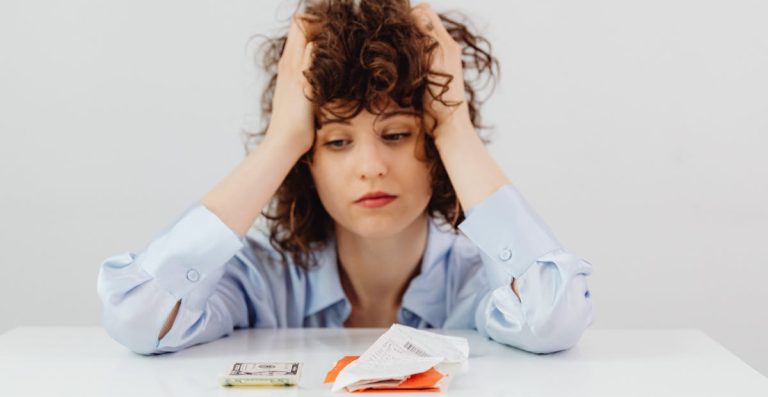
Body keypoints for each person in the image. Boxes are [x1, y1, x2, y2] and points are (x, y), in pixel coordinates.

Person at [97, 0, 593, 356]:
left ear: (436, 149)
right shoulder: (263, 283)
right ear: (307, 161)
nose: (371, 166)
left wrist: (454, 124)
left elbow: (552, 319)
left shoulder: (479, 283)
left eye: (396, 134)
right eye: (337, 142)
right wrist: (282, 141)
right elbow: (139, 318)